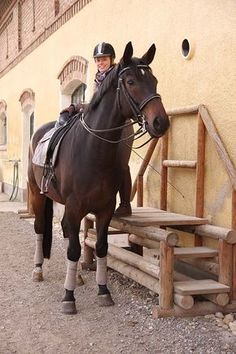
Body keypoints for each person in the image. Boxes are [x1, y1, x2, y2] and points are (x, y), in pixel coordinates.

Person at [56, 42, 133, 216]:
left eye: (104, 59)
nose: (100, 63)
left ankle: (125, 204)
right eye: (98, 60)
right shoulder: (98, 77)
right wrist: (76, 106)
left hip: (121, 125)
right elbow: (97, 103)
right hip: (106, 124)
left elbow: (111, 103)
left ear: (111, 59)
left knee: (120, 162)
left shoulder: (116, 76)